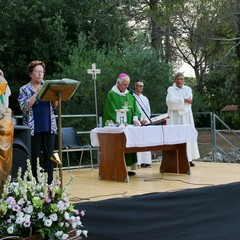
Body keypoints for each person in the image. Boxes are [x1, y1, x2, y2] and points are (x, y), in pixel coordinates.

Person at [18, 60, 58, 184]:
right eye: (37, 71)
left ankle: (50, 182)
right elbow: (25, 106)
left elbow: (55, 106)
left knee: (50, 155)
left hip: (49, 127)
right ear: (30, 73)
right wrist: (38, 92)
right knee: (35, 156)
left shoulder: (48, 86)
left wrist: (57, 96)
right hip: (34, 128)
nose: (40, 74)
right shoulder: (24, 89)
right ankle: (36, 183)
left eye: (42, 72)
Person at [103, 73, 143, 175]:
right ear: (118, 83)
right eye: (125, 84)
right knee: (119, 146)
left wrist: (135, 118)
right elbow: (110, 111)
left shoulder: (130, 95)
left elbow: (136, 110)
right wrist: (120, 123)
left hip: (129, 127)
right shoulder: (111, 94)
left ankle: (128, 168)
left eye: (128, 84)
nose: (127, 86)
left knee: (129, 145)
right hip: (119, 128)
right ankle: (118, 168)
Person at [166, 72, 200, 167]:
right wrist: (184, 100)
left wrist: (179, 100)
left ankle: (188, 158)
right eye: (178, 79)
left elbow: (190, 101)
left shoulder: (188, 89)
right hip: (174, 117)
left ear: (184, 80)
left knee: (187, 136)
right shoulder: (170, 89)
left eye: (181, 79)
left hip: (186, 116)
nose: (179, 81)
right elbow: (170, 102)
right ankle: (175, 158)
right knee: (175, 136)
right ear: (175, 80)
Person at [133, 80, 152, 168]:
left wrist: (145, 120)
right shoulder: (132, 96)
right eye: (139, 86)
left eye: (142, 86)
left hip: (145, 123)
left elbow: (148, 111)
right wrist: (140, 120)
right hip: (136, 123)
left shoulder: (145, 98)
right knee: (137, 142)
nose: (141, 87)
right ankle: (138, 162)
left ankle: (146, 161)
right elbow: (134, 111)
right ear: (135, 86)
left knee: (145, 142)